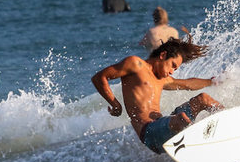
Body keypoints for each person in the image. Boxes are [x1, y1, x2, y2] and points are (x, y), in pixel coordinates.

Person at [92, 38, 223, 154]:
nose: (172, 71)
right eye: (173, 65)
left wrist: (211, 81)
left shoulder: (162, 79)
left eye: (175, 69)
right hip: (150, 134)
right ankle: (204, 145)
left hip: (167, 127)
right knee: (181, 118)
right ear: (163, 55)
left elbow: (188, 84)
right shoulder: (135, 64)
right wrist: (115, 104)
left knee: (203, 99)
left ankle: (228, 124)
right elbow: (99, 78)